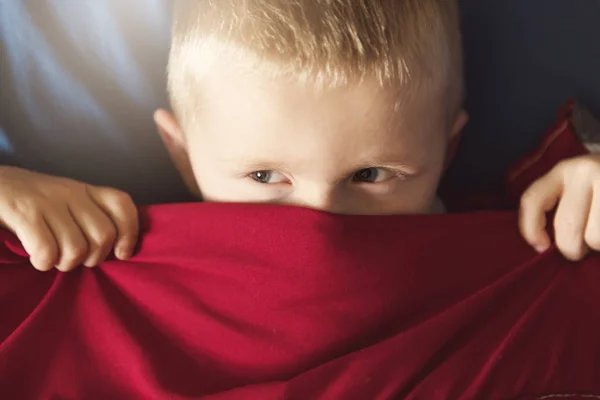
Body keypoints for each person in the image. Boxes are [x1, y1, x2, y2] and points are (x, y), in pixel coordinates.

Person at [2, 0, 599, 272]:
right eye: (265, 177)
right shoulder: (102, 247)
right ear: (182, 156)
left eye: (371, 175)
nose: (321, 225)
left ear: (447, 150)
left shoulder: (529, 229)